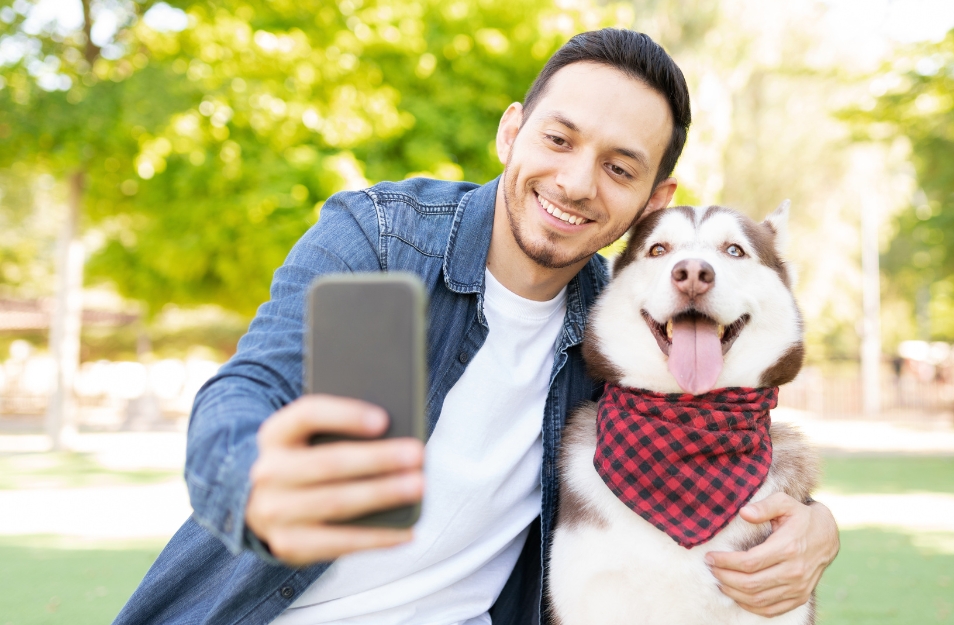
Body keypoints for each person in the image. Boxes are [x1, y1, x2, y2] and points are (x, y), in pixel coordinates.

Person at [114, 28, 840, 625]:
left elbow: (722, 437)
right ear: (511, 131)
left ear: (654, 201)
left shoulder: (617, 328)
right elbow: (253, 387)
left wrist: (818, 528)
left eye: (619, 169)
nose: (578, 182)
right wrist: (258, 482)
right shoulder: (389, 248)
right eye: (559, 140)